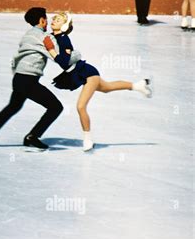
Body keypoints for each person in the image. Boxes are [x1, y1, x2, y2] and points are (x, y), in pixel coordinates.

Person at [44, 13, 153, 151]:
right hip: (83, 73)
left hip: (87, 73)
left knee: (80, 107)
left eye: (58, 20)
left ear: (64, 26)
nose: (53, 20)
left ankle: (88, 139)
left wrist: (51, 50)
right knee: (108, 87)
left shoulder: (64, 39)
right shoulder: (56, 37)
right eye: (54, 18)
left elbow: (65, 63)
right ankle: (138, 85)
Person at [0, 7, 64, 151]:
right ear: (42, 20)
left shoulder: (28, 35)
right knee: (55, 107)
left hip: (19, 78)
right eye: (46, 19)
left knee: (13, 107)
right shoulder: (43, 37)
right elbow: (59, 57)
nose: (47, 22)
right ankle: (32, 137)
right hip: (28, 80)